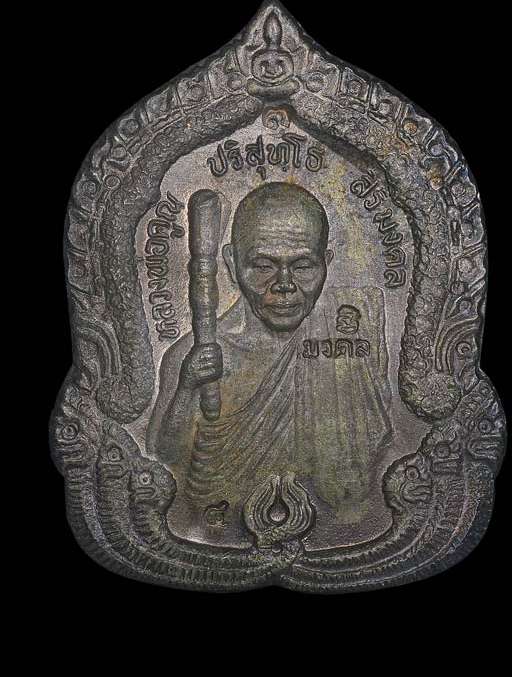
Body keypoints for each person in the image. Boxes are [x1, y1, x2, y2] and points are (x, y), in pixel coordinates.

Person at [146, 182, 392, 542]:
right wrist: (187, 388)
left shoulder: (351, 337)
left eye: (303, 266)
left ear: (326, 263)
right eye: (263, 265)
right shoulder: (191, 356)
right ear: (232, 264)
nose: (284, 284)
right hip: (209, 533)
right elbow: (163, 455)